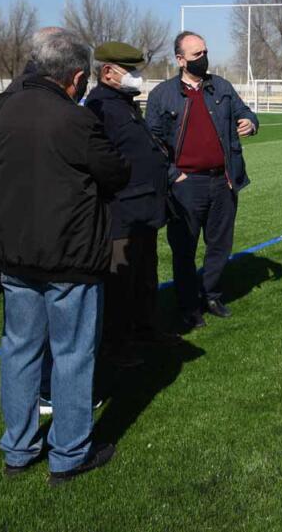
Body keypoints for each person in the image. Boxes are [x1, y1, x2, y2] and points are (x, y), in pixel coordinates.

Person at [0, 28, 129, 485]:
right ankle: (68, 455)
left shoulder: (0, 110)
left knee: (19, 351)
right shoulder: (75, 119)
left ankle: (18, 448)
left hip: (13, 252)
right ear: (75, 77)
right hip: (69, 256)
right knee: (71, 355)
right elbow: (115, 173)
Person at [146, 31, 258, 331]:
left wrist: (251, 121)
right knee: (184, 249)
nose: (203, 58)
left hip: (223, 181)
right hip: (186, 185)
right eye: (197, 55)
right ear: (180, 60)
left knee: (220, 245)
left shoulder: (220, 86)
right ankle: (188, 305)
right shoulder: (162, 95)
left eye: (205, 52)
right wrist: (174, 175)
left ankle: (211, 294)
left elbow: (245, 111)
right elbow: (152, 142)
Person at [86, 42, 179, 366]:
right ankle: (116, 347)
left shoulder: (124, 103)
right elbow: (102, 161)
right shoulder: (100, 107)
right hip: (121, 214)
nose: (138, 76)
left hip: (144, 212)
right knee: (119, 284)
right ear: (108, 72)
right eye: (131, 70)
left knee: (143, 277)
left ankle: (145, 328)